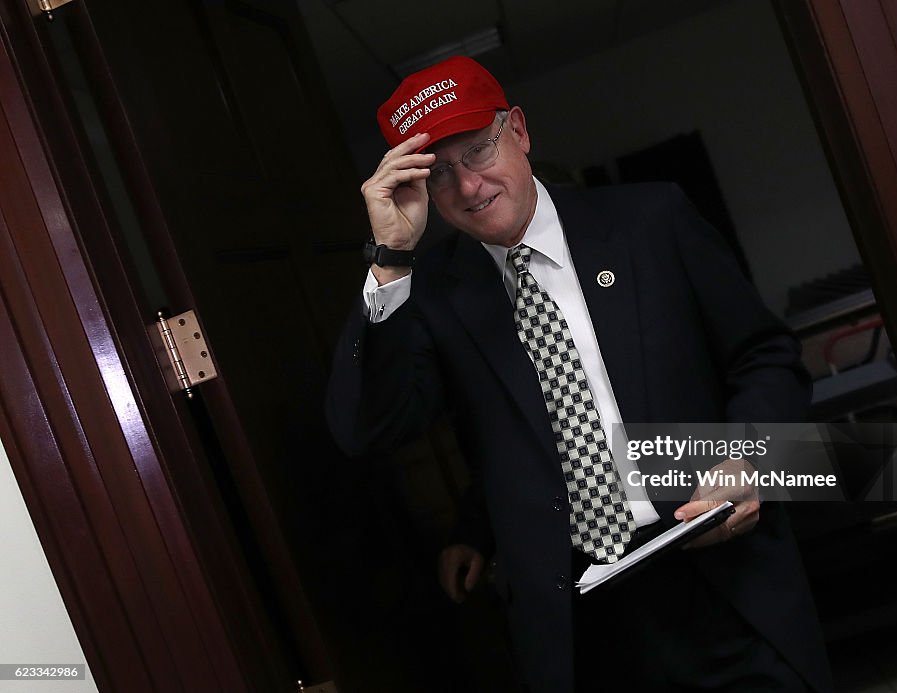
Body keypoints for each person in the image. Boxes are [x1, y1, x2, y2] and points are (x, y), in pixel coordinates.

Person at [327, 56, 831, 692]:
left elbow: (765, 356)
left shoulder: (650, 221)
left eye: (479, 151)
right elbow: (369, 429)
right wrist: (391, 258)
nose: (470, 188)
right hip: (579, 624)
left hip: (720, 575)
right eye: (440, 174)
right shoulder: (430, 297)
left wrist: (749, 459)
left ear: (519, 130)